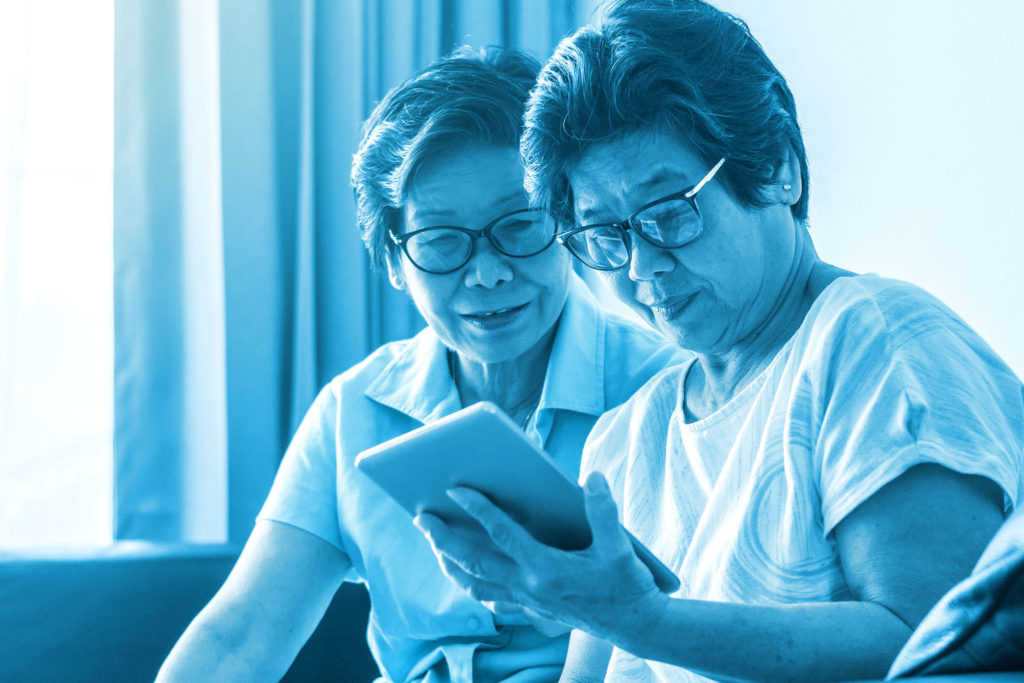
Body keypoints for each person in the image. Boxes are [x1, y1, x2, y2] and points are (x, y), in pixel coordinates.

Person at [411, 2, 1024, 681]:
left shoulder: (871, 336)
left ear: (779, 169)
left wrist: (644, 621)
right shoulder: (628, 435)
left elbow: (935, 647)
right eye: (606, 236)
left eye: (671, 214)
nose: (642, 267)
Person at [156, 46, 684, 682]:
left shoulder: (666, 388)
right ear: (393, 264)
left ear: (570, 223)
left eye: (520, 227)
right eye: (440, 243)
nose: (487, 274)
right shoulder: (354, 410)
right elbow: (240, 636)